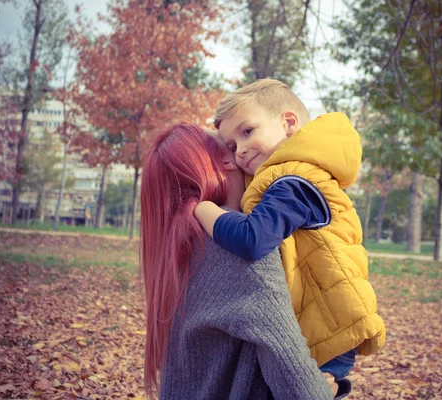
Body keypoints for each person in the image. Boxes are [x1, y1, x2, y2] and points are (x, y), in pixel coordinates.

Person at [194, 79, 386, 385]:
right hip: (318, 321)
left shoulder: (295, 182)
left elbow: (254, 239)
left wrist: (203, 209)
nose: (240, 151)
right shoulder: (279, 176)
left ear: (288, 124)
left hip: (328, 329)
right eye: (232, 145)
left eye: (247, 132)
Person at [139, 123, 338, 400]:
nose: (244, 152)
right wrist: (327, 389)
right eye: (232, 146)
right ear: (225, 161)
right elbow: (299, 386)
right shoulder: (241, 251)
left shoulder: (179, 251)